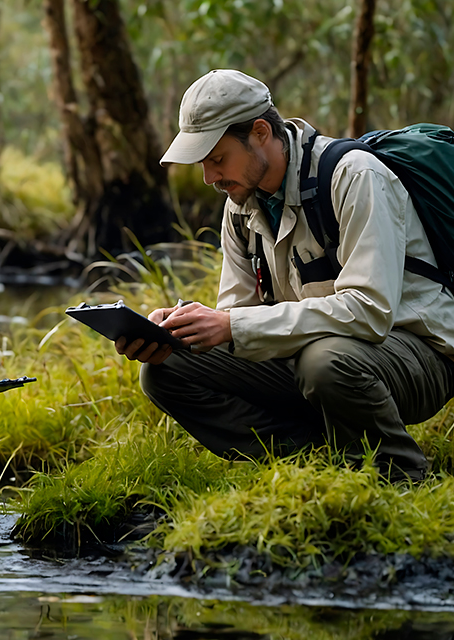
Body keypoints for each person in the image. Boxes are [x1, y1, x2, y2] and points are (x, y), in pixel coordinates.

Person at [117, 69, 454, 482]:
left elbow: (369, 312)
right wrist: (183, 331)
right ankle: (313, 462)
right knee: (165, 371)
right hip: (319, 356)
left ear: (260, 132)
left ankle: (400, 475)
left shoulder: (354, 176)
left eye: (217, 159)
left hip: (416, 353)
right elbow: (239, 321)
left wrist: (231, 325)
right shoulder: (240, 207)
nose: (209, 179)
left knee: (324, 362)